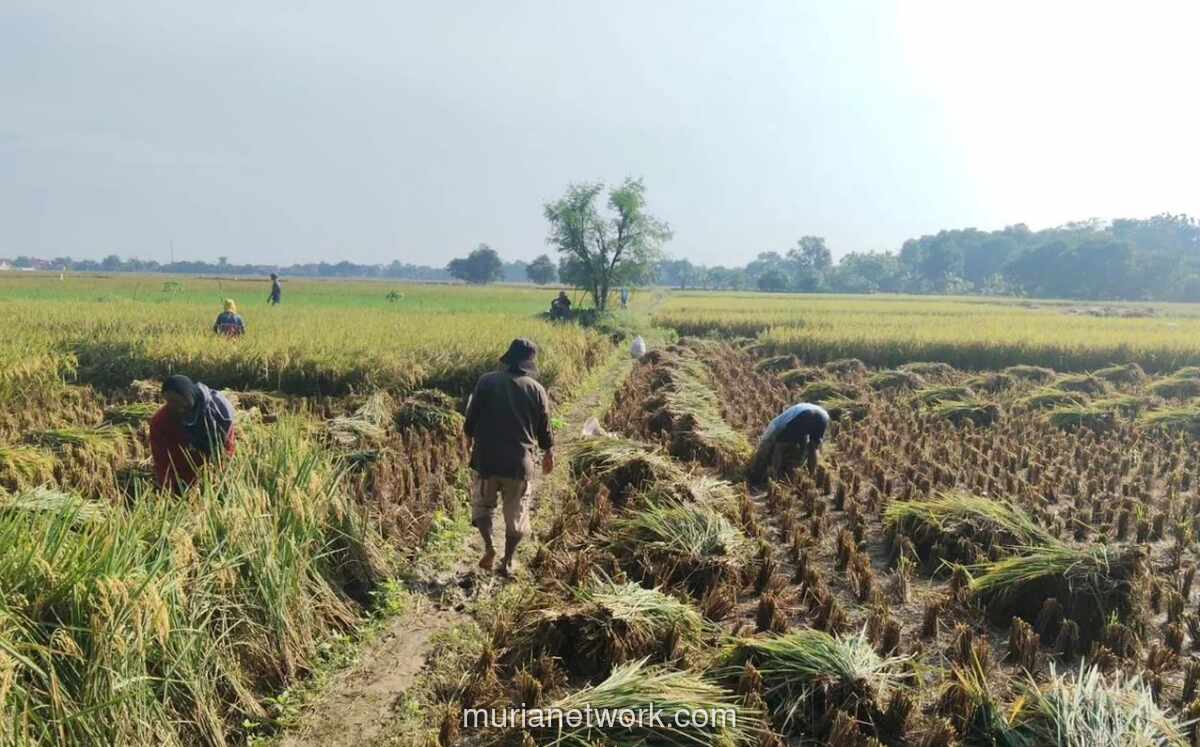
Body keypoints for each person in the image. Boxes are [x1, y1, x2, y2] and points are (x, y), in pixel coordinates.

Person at [464, 338, 554, 577]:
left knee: (482, 506)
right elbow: (544, 427)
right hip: (518, 463)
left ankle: (490, 548)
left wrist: (468, 437)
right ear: (528, 363)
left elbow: (471, 416)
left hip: (486, 459)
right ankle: (507, 562)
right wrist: (548, 452)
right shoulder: (536, 389)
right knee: (516, 514)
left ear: (508, 359)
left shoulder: (486, 381)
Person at [150, 375, 237, 492]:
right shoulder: (161, 421)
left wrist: (219, 475)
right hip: (183, 473)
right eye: (169, 401)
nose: (174, 406)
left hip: (213, 471)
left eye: (177, 400)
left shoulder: (218, 411)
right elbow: (161, 459)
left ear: (189, 394)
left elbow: (227, 446)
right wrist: (170, 487)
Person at [749, 403, 830, 483]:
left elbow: (771, 441)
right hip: (823, 416)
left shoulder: (774, 425)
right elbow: (803, 436)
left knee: (779, 447)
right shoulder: (786, 417)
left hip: (804, 414)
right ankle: (812, 476)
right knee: (813, 448)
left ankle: (774, 476)